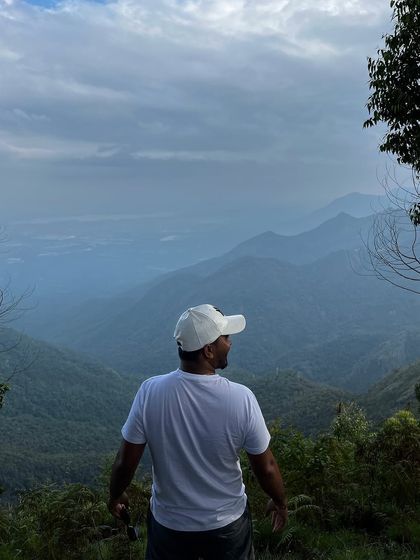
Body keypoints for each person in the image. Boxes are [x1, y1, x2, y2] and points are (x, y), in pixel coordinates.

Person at [108, 304, 287, 559]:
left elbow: (125, 462)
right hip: (227, 526)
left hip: (169, 527)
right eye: (225, 338)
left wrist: (115, 494)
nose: (230, 343)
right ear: (208, 350)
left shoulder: (150, 392)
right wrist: (279, 501)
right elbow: (266, 467)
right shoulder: (240, 399)